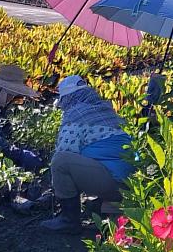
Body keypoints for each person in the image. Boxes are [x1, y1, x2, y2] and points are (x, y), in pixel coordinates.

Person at [40, 75, 135, 233]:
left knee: (60, 162)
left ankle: (69, 220)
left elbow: (65, 149)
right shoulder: (106, 110)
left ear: (68, 98)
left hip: (115, 183)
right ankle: (98, 204)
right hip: (133, 182)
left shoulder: (76, 115)